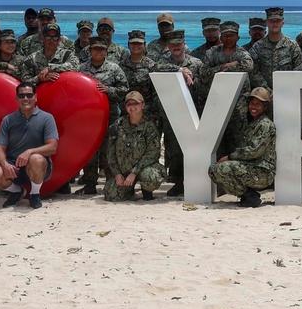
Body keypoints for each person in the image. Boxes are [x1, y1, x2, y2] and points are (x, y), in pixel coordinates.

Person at [0, 82, 58, 209]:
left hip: (38, 166)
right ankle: (16, 191)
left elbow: (52, 147)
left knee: (35, 159)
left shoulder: (47, 118)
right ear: (16, 98)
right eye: (21, 96)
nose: (25, 99)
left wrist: (30, 152)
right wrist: (5, 165)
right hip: (14, 168)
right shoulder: (8, 120)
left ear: (35, 97)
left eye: (29, 95)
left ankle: (35, 193)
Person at [153, 29, 204, 196]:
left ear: (184, 44)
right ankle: (177, 181)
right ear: (168, 46)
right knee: (173, 148)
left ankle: (190, 180)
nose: (176, 47)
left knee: (191, 149)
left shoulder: (196, 63)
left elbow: (203, 85)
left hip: (192, 113)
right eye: (172, 44)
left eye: (179, 44)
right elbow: (156, 68)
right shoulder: (162, 62)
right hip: (171, 113)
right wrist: (179, 70)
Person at [77, 36, 129, 194]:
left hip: (110, 116)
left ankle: (110, 182)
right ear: (90, 51)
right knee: (90, 151)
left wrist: (109, 90)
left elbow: (124, 89)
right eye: (95, 48)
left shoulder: (114, 69)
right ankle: (90, 183)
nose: (98, 51)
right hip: (89, 117)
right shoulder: (81, 69)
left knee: (109, 150)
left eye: (102, 49)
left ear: (107, 51)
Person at [209, 86, 276, 208]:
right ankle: (249, 195)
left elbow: (254, 151)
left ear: (265, 107)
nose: (253, 107)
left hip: (262, 171)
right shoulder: (252, 123)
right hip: (252, 167)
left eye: (258, 104)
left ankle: (249, 197)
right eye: (252, 103)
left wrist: (230, 157)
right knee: (215, 169)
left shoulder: (265, 124)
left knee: (220, 169)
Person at [198, 21, 254, 157]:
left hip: (238, 106)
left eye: (232, 35)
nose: (228, 38)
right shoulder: (212, 52)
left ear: (238, 38)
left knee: (238, 141)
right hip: (217, 102)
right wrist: (223, 67)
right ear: (221, 37)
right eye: (225, 35)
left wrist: (219, 70)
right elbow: (203, 73)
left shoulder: (242, 53)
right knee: (218, 141)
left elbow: (248, 66)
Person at [105, 91, 164, 202]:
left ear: (142, 105)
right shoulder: (118, 125)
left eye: (135, 103)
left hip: (143, 169)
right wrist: (117, 173)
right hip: (124, 170)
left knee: (150, 177)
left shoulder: (149, 126)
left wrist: (134, 172)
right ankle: (128, 189)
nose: (132, 107)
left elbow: (153, 153)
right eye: (129, 104)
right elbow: (110, 152)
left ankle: (147, 192)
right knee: (111, 195)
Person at [249, 7, 302, 90]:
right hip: (264, 95)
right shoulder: (257, 47)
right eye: (271, 21)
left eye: (277, 21)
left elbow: (298, 70)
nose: (274, 24)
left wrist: (283, 89)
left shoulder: (292, 46)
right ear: (267, 23)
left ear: (282, 23)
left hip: (287, 92)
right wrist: (267, 90)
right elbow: (254, 72)